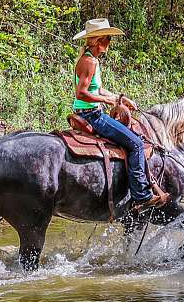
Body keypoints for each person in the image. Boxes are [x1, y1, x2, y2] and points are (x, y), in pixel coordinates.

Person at [72, 18, 168, 208]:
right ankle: (142, 195)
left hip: (90, 112)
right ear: (101, 41)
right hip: (92, 115)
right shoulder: (89, 62)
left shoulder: (91, 60)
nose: (109, 43)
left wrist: (120, 99)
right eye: (108, 39)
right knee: (137, 144)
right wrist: (108, 101)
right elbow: (81, 93)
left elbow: (98, 90)